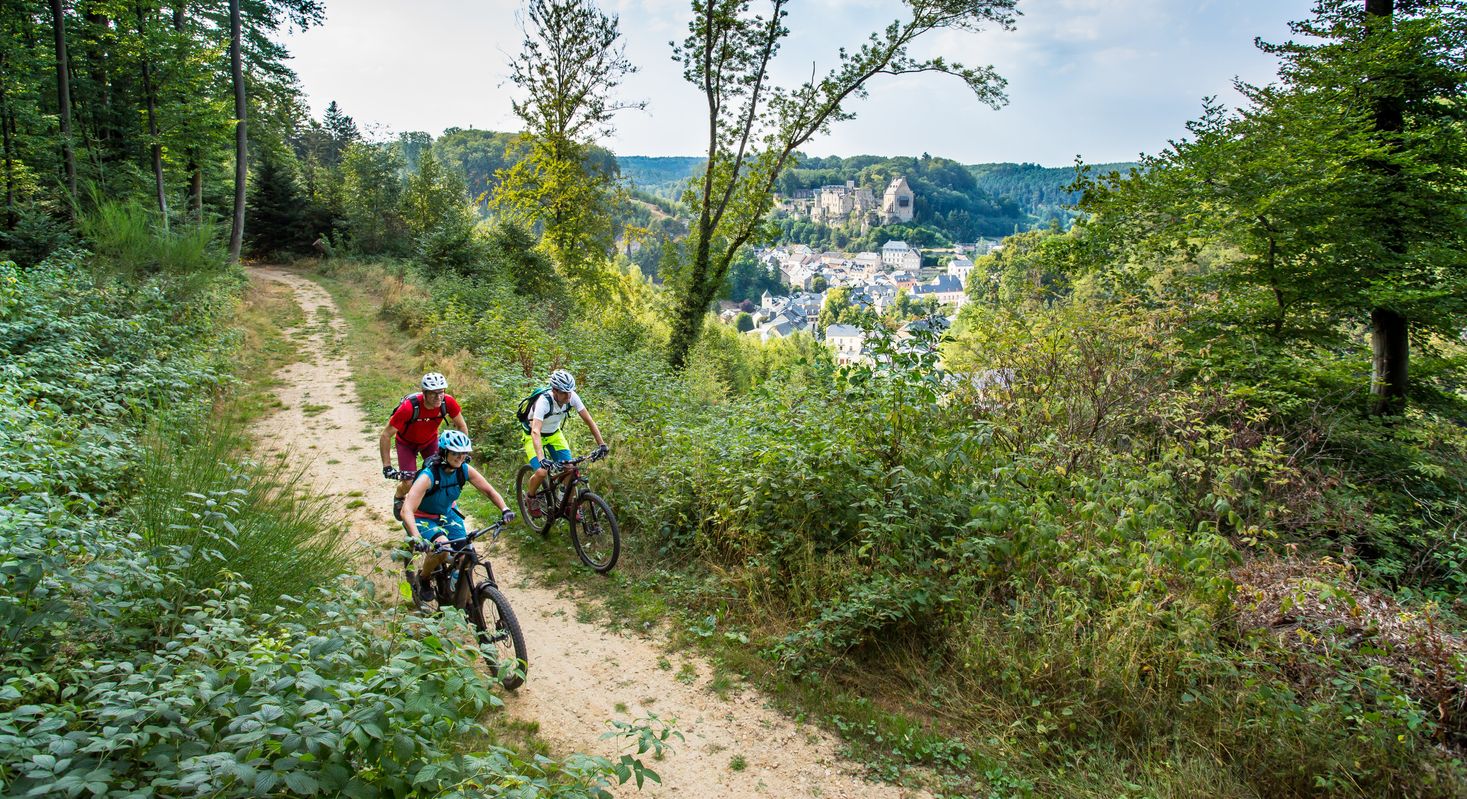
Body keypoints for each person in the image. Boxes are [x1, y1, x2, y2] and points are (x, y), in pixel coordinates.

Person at [400, 429, 515, 604]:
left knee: (467, 554)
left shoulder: (464, 470)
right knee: (442, 548)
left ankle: (456, 589)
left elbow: (489, 491)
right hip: (422, 517)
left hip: (448, 514)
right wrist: (416, 537)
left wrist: (505, 509)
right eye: (455, 453)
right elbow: (406, 510)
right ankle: (423, 579)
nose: (460, 457)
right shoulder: (428, 476)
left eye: (463, 453)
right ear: (444, 452)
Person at [380, 372, 468, 519]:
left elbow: (462, 426)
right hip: (406, 443)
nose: (438, 397)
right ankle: (399, 497)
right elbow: (386, 435)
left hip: (430, 441)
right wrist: (387, 466)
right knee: (408, 481)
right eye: (433, 394)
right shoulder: (409, 407)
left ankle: (436, 508)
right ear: (424, 393)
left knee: (441, 474)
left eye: (441, 392)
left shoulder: (448, 402)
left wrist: (462, 452)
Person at [522, 368, 608, 517]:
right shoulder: (544, 401)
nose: (568, 396)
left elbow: (589, 420)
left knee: (570, 469)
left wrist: (602, 444)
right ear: (555, 390)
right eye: (564, 392)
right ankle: (530, 497)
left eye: (570, 392)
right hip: (533, 436)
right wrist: (542, 459)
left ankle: (568, 505)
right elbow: (535, 431)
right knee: (542, 472)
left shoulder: (572, 396)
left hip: (555, 435)